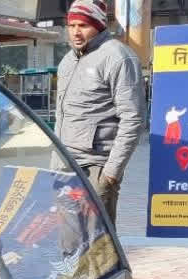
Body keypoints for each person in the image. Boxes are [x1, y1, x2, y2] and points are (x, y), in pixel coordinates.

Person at [53, 0, 145, 225]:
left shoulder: (118, 57)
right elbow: (60, 116)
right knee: (70, 239)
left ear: (99, 25)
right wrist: (55, 164)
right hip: (66, 165)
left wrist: (111, 173)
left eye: (83, 25)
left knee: (98, 246)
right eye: (71, 25)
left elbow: (133, 119)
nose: (75, 32)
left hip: (97, 166)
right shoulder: (67, 61)